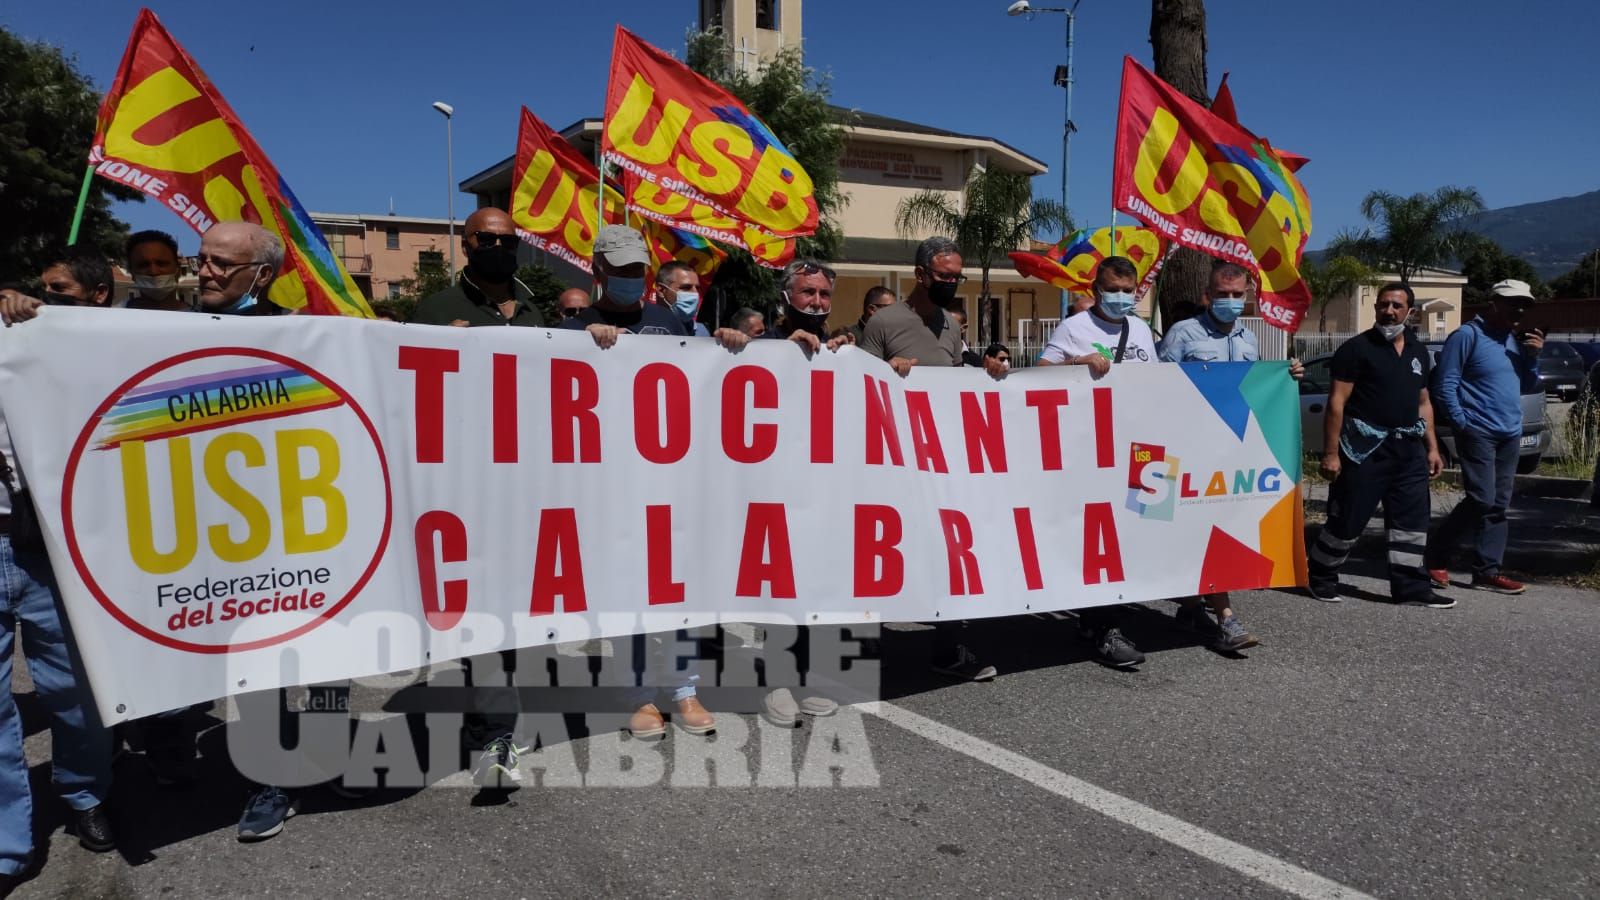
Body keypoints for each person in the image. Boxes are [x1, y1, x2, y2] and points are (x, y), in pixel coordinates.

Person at [0, 267, 119, 872]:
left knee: (74, 690)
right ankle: (8, 848)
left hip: (44, 547)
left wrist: (33, 312)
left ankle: (85, 794)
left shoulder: (25, 328)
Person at [859, 237, 1005, 682]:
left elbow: (956, 378)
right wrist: (889, 370)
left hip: (941, 459)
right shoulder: (884, 322)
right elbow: (858, 384)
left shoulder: (950, 323)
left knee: (945, 551)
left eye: (956, 276)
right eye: (944, 276)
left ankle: (947, 646)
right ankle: (869, 639)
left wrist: (988, 371)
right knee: (882, 550)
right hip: (891, 459)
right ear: (920, 275)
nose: (951, 283)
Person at [1150, 264, 1303, 650]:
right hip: (1184, 449)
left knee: (1216, 529)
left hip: (1229, 454)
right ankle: (1211, 611)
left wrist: (1287, 376)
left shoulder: (1249, 338)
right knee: (1173, 527)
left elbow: (1255, 389)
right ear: (1207, 295)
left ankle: (1215, 613)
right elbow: (1152, 386)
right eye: (1223, 294)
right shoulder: (1182, 334)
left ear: (1248, 295)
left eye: (1238, 295)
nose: (1230, 302)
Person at [1308, 284, 1452, 607]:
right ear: (1375, 308)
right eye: (1384, 304)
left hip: (1409, 452)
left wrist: (1432, 447)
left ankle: (1411, 588)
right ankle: (1320, 575)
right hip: (1364, 450)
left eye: (1397, 306)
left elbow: (1423, 402)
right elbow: (1336, 402)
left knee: (1411, 523)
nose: (1389, 311)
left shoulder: (1419, 352)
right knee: (1348, 519)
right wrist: (1331, 453)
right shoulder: (1356, 349)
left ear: (1410, 312)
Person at [1426, 279, 1543, 594]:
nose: (1519, 310)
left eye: (1525, 305)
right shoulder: (1467, 336)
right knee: (1482, 498)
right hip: (1478, 431)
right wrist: (1462, 422)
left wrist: (1532, 357)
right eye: (1512, 303)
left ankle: (1487, 571)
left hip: (1509, 433)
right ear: (1494, 302)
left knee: (1499, 503)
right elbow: (1445, 384)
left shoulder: (1513, 341)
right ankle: (1435, 556)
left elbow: (1527, 385)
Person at [411, 208, 544, 327]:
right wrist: (444, 345)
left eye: (508, 241)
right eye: (486, 240)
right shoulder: (435, 309)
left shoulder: (531, 311)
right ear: (465, 247)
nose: (498, 246)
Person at [124, 229, 189, 311]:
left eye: (161, 264)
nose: (153, 272)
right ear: (132, 273)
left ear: (178, 270)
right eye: (143, 265)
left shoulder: (201, 318)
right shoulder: (112, 317)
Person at [654, 261, 710, 336]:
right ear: (661, 291)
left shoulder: (701, 331)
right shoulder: (641, 327)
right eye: (686, 287)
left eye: (697, 288)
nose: (695, 293)